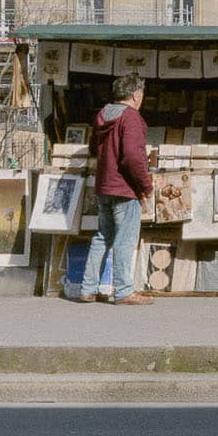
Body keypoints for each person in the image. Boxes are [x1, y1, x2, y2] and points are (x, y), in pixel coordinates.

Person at [67, 73, 154, 305]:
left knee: (102, 237)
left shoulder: (102, 116)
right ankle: (124, 291)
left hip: (104, 186)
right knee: (125, 240)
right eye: (142, 94)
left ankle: (87, 288)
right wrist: (146, 185)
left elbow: (94, 149)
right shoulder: (131, 118)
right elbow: (133, 157)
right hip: (125, 188)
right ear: (136, 95)